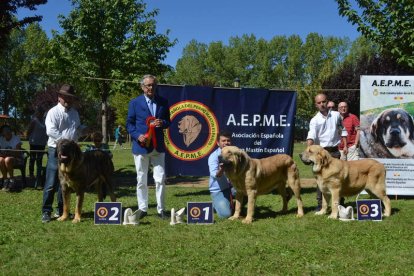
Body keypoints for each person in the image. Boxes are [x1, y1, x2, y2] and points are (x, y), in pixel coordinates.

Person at [126, 74, 171, 220]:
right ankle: (143, 208)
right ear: (142, 87)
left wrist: (162, 123)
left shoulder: (164, 102)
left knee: (160, 178)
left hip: (158, 147)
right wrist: (137, 135)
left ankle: (161, 209)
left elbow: (168, 121)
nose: (151, 88)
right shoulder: (134, 103)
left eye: (153, 85)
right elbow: (129, 124)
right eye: (148, 85)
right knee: (141, 179)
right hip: (141, 146)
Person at [41, 84, 84, 223]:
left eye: (70, 97)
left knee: (64, 182)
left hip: (72, 152)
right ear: (59, 97)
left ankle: (62, 211)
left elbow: (76, 129)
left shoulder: (75, 113)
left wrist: (81, 132)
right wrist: (65, 143)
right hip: (56, 150)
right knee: (51, 182)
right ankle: (46, 212)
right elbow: (50, 131)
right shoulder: (52, 112)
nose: (68, 99)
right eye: (65, 96)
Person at [306, 93, 347, 210]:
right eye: (319, 103)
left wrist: (345, 145)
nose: (322, 104)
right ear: (316, 105)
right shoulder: (314, 120)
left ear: (327, 102)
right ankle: (321, 205)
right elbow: (311, 135)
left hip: (334, 152)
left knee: (338, 179)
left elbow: (342, 130)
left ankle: (340, 204)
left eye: (323, 102)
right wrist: (308, 150)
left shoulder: (336, 115)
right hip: (320, 153)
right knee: (321, 180)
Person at [208, 130, 235, 218]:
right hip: (219, 190)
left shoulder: (235, 154)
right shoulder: (213, 157)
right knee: (225, 215)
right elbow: (216, 176)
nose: (226, 143)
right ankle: (216, 203)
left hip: (233, 187)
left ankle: (236, 206)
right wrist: (222, 168)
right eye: (223, 141)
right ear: (218, 143)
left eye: (228, 140)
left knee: (247, 189)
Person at [26, 107, 48, 188]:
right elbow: (29, 131)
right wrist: (28, 137)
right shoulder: (34, 120)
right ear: (37, 112)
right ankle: (31, 174)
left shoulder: (45, 121)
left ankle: (38, 175)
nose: (41, 113)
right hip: (34, 142)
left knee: (39, 160)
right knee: (32, 159)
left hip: (42, 143)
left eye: (43, 112)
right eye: (40, 112)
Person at [0, 125, 24, 192]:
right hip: (4, 158)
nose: (7, 132)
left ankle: (12, 180)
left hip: (17, 159)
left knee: (7, 159)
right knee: (0, 160)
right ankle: (5, 180)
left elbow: (18, 153)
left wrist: (7, 153)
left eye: (8, 130)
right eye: (5, 131)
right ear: (2, 133)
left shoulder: (16, 138)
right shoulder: (1, 139)